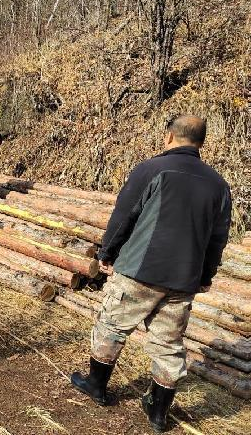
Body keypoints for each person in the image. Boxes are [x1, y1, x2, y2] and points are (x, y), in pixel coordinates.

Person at [71, 115, 231, 433]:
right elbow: (218, 237)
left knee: (112, 325)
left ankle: (96, 385)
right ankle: (158, 413)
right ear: (201, 142)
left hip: (140, 270)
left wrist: (107, 253)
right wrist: (206, 275)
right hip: (184, 278)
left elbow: (124, 214)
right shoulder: (218, 184)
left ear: (169, 136)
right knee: (169, 343)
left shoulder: (152, 169)